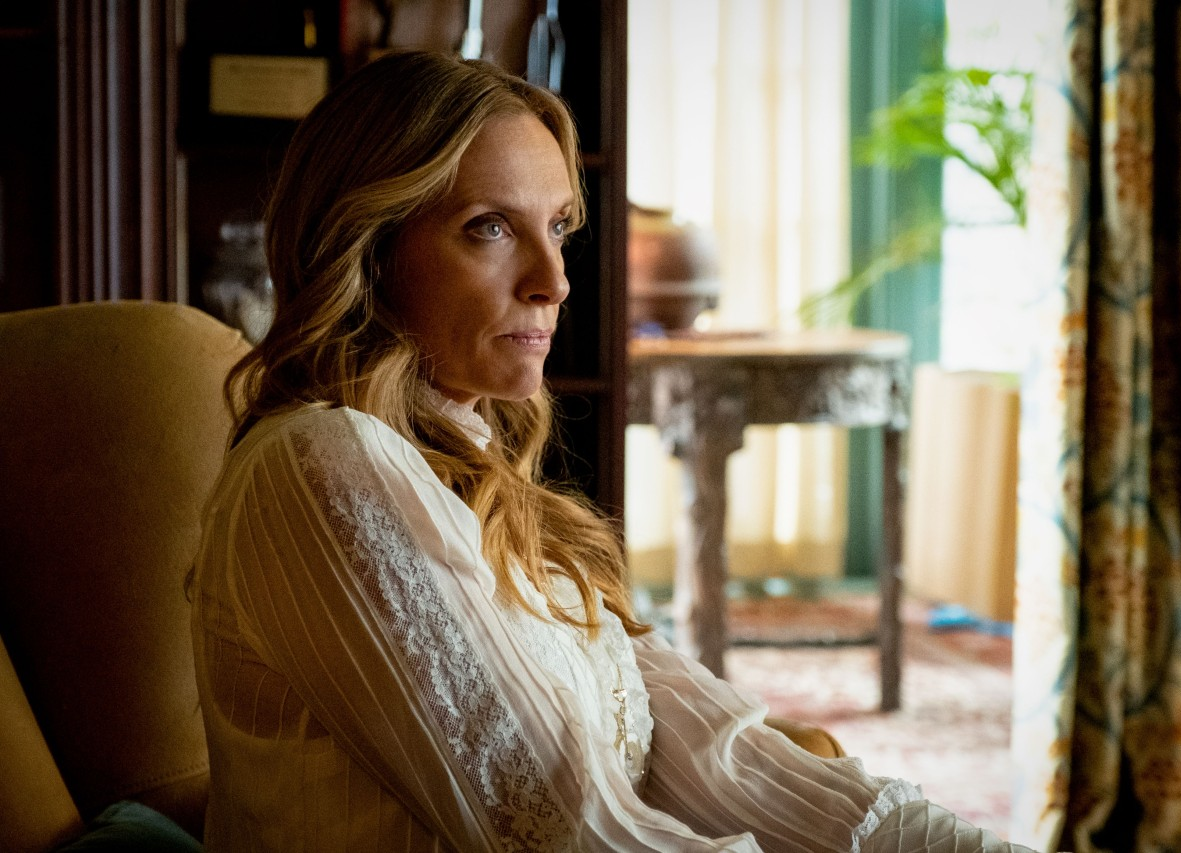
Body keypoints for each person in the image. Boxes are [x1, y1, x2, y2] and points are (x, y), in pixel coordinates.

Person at [188, 50, 1035, 852]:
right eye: (489, 228)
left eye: (557, 227)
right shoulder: (318, 464)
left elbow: (727, 760)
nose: (554, 280)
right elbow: (570, 832)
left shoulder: (486, 486)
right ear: (368, 252)